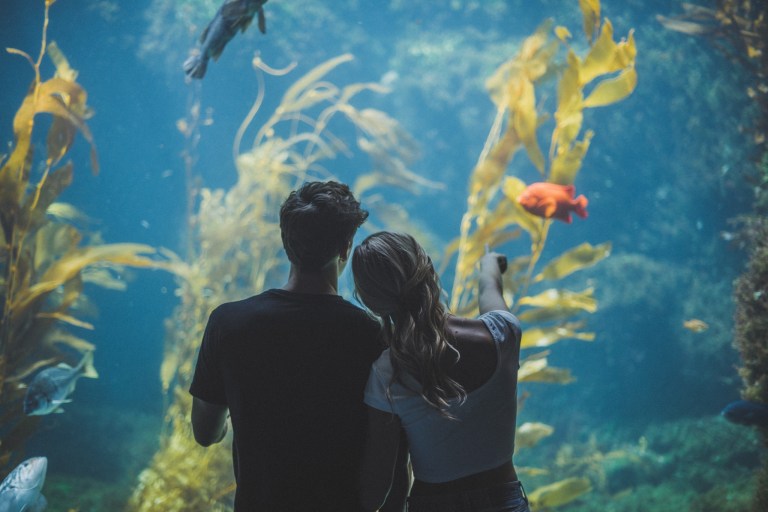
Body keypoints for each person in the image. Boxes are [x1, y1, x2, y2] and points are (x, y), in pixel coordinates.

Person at [189, 181, 402, 511]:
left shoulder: (228, 323)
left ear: (286, 243)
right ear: (345, 247)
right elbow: (387, 452)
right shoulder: (372, 335)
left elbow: (205, 432)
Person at [352, 232, 530, 512]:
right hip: (504, 502)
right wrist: (489, 264)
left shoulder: (387, 373)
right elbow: (489, 290)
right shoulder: (503, 336)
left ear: (370, 301)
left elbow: (379, 482)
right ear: (431, 271)